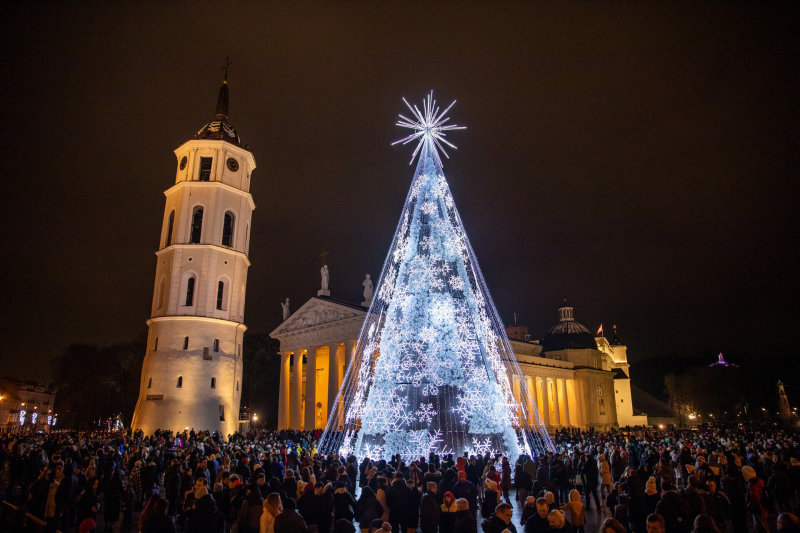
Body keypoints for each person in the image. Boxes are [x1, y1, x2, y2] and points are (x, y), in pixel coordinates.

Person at [742, 465, 769, 533]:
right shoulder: (759, 480)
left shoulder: (752, 486)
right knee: (763, 525)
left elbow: (755, 500)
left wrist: (748, 506)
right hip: (763, 506)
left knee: (762, 527)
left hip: (758, 509)